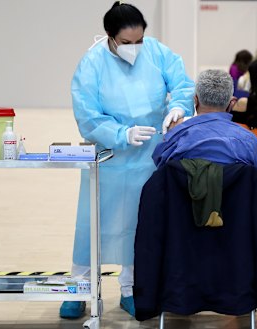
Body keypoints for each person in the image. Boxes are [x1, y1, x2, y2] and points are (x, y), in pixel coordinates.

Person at [62, 2, 194, 319]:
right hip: (109, 157)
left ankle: (132, 288)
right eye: (126, 43)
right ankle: (79, 289)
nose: (134, 49)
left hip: (149, 156)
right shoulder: (91, 65)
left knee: (140, 226)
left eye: (139, 41)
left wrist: (177, 107)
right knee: (92, 225)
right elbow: (88, 116)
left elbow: (183, 85)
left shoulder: (158, 53)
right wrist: (121, 133)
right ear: (110, 37)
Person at [152, 69, 257, 185]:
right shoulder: (248, 142)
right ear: (231, 103)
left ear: (195, 101)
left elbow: (162, 178)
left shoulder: (174, 141)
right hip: (237, 207)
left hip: (184, 208)